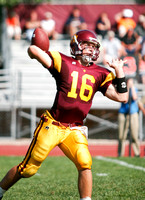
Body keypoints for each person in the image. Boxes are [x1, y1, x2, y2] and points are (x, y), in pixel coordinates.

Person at [0, 29, 128, 200]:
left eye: (93, 46)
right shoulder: (63, 61)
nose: (90, 49)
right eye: (86, 45)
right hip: (52, 125)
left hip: (74, 129)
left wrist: (119, 71)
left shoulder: (101, 73)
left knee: (85, 163)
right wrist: (35, 49)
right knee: (28, 169)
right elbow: (34, 50)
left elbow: (122, 97)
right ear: (76, 45)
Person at [118, 78, 140, 157]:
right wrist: (127, 87)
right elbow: (125, 98)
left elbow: (134, 97)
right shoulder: (123, 89)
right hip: (123, 112)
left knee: (134, 135)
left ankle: (137, 153)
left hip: (133, 113)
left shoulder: (135, 89)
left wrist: (132, 88)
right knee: (121, 136)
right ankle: (120, 154)